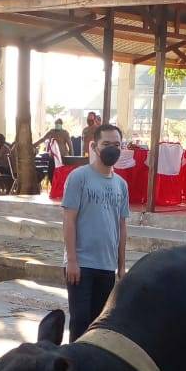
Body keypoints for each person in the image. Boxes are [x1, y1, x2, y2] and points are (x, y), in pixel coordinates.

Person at [62, 122, 129, 341]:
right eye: (106, 143)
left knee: (99, 324)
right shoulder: (79, 177)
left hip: (107, 266)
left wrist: (121, 265)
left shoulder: (121, 185)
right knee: (80, 323)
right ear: (94, 146)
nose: (112, 148)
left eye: (117, 144)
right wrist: (72, 260)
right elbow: (69, 220)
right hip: (82, 265)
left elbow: (121, 226)